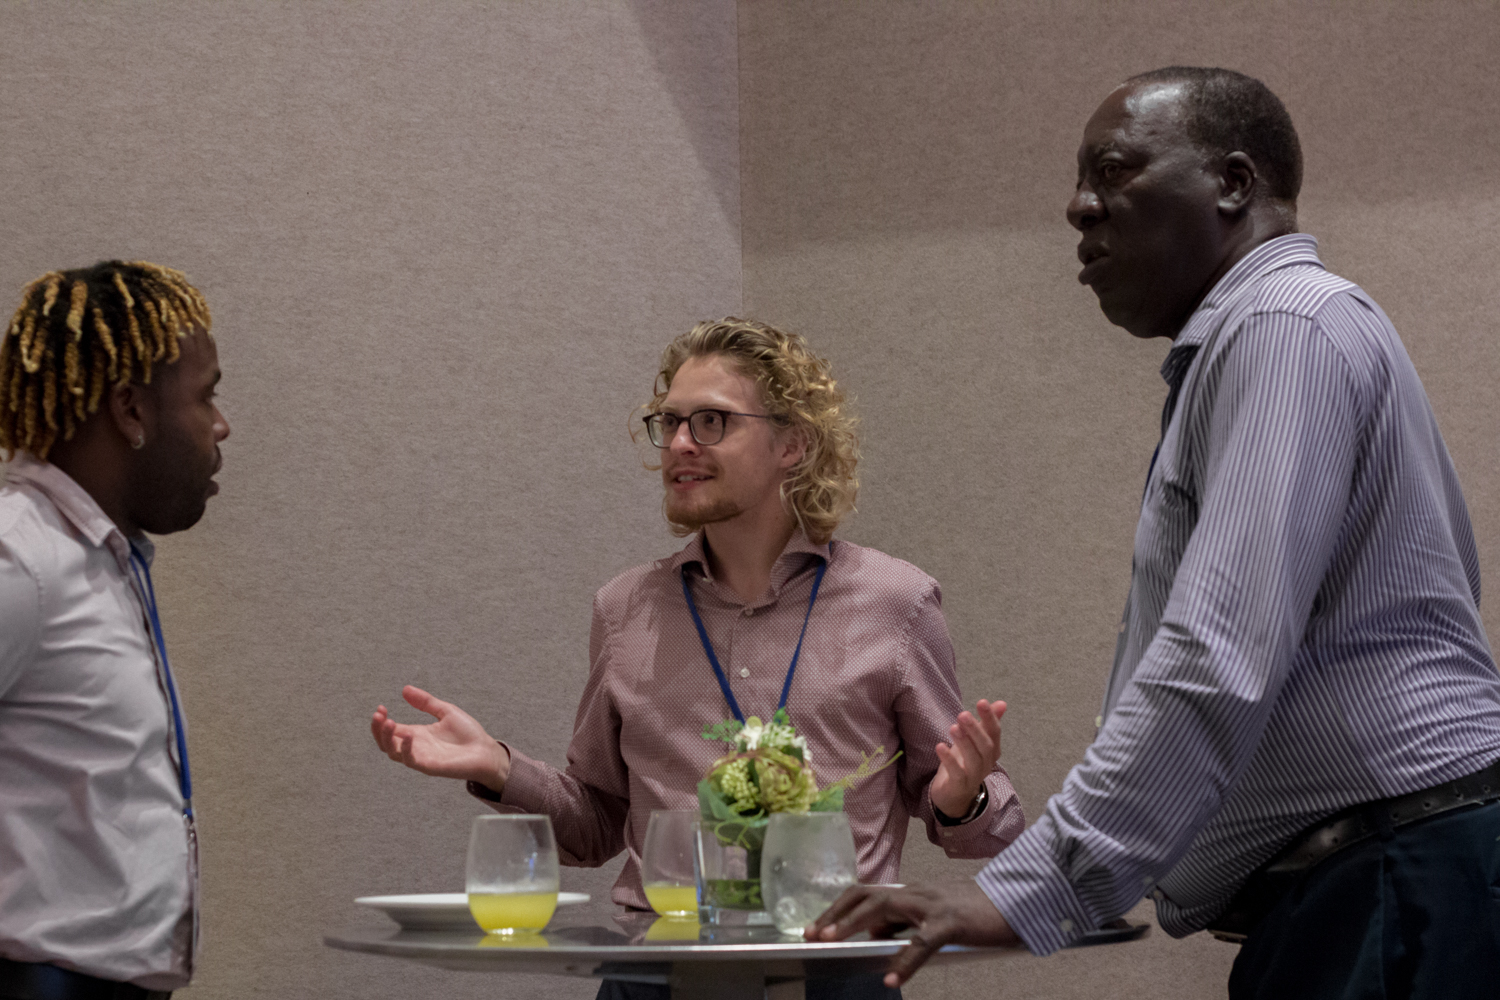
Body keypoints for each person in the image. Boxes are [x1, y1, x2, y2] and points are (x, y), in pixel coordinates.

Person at [809, 67, 1500, 999]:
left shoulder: (1282, 328)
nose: (1078, 207)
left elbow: (1218, 652)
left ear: (1233, 183)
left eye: (1113, 171)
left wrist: (1028, 895)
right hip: (1385, 881)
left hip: (1397, 889)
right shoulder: (1266, 335)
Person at [371, 318, 1024, 999]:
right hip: (654, 979)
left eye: (711, 421)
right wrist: (498, 767)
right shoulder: (625, 609)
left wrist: (961, 798)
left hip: (833, 977)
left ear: (793, 443)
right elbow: (597, 825)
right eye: (670, 422)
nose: (680, 443)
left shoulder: (895, 602)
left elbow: (991, 830)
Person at [0, 261, 230, 1000]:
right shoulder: (21, 558)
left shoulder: (104, 559)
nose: (221, 425)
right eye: (206, 396)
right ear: (131, 410)